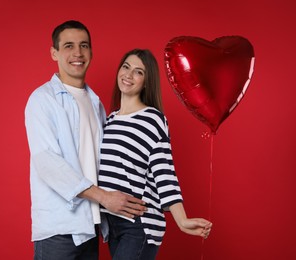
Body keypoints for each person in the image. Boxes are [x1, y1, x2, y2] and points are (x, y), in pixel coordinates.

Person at [25, 21, 147, 260]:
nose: (78, 53)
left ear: (91, 52)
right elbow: (47, 162)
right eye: (68, 46)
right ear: (54, 53)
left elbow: (108, 161)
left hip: (91, 226)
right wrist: (104, 197)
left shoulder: (96, 103)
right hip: (58, 229)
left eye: (84, 46)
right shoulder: (42, 99)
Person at [98, 49, 213, 260]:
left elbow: (164, 172)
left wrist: (182, 220)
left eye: (138, 72)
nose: (129, 75)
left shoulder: (153, 119)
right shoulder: (111, 119)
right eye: (126, 67)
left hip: (139, 224)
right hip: (112, 223)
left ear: (146, 81)